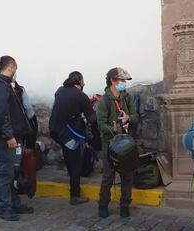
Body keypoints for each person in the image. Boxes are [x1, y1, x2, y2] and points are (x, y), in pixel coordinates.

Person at [0, 55, 33, 221]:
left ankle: (15, 204)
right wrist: (9, 136)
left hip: (13, 136)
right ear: (12, 68)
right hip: (5, 138)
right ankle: (5, 208)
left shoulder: (6, 85)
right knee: (5, 173)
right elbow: (0, 114)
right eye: (16, 69)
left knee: (12, 172)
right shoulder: (0, 86)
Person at [96, 67, 139, 218]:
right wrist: (116, 128)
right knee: (108, 176)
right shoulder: (104, 102)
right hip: (110, 144)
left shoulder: (127, 98)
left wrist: (129, 119)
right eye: (121, 81)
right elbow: (101, 126)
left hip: (126, 143)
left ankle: (124, 205)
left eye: (124, 81)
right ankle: (103, 205)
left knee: (127, 175)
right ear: (112, 81)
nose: (123, 84)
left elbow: (136, 116)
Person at [49, 71, 96, 206]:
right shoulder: (81, 96)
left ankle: (73, 184)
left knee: (69, 156)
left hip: (55, 131)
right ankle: (74, 195)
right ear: (80, 82)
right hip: (68, 133)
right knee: (75, 163)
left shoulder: (60, 90)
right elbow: (92, 118)